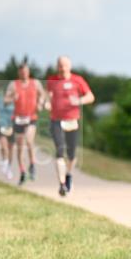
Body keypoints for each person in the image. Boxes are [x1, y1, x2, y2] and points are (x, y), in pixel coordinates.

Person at [45, 56, 95, 196]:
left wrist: (79, 101)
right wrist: (47, 103)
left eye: (65, 65)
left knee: (71, 154)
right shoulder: (51, 80)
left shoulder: (77, 80)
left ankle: (68, 175)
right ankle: (61, 184)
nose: (62, 68)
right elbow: (48, 95)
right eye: (60, 65)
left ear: (69, 66)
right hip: (56, 120)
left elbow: (91, 97)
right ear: (57, 66)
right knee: (60, 151)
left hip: (72, 120)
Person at [5, 64, 46, 185]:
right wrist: (12, 98)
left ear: (29, 72)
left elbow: (43, 94)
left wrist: (40, 103)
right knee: (20, 146)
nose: (24, 74)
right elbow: (5, 101)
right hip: (18, 119)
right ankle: (22, 171)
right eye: (22, 72)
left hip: (31, 117)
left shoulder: (35, 83)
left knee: (29, 140)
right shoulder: (13, 85)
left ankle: (32, 165)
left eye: (26, 72)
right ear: (19, 73)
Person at [0, 83, 16, 179]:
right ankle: (5, 162)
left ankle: (8, 168)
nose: (9, 92)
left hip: (12, 127)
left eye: (11, 91)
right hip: (2, 125)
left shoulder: (16, 101)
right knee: (4, 147)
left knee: (10, 149)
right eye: (8, 90)